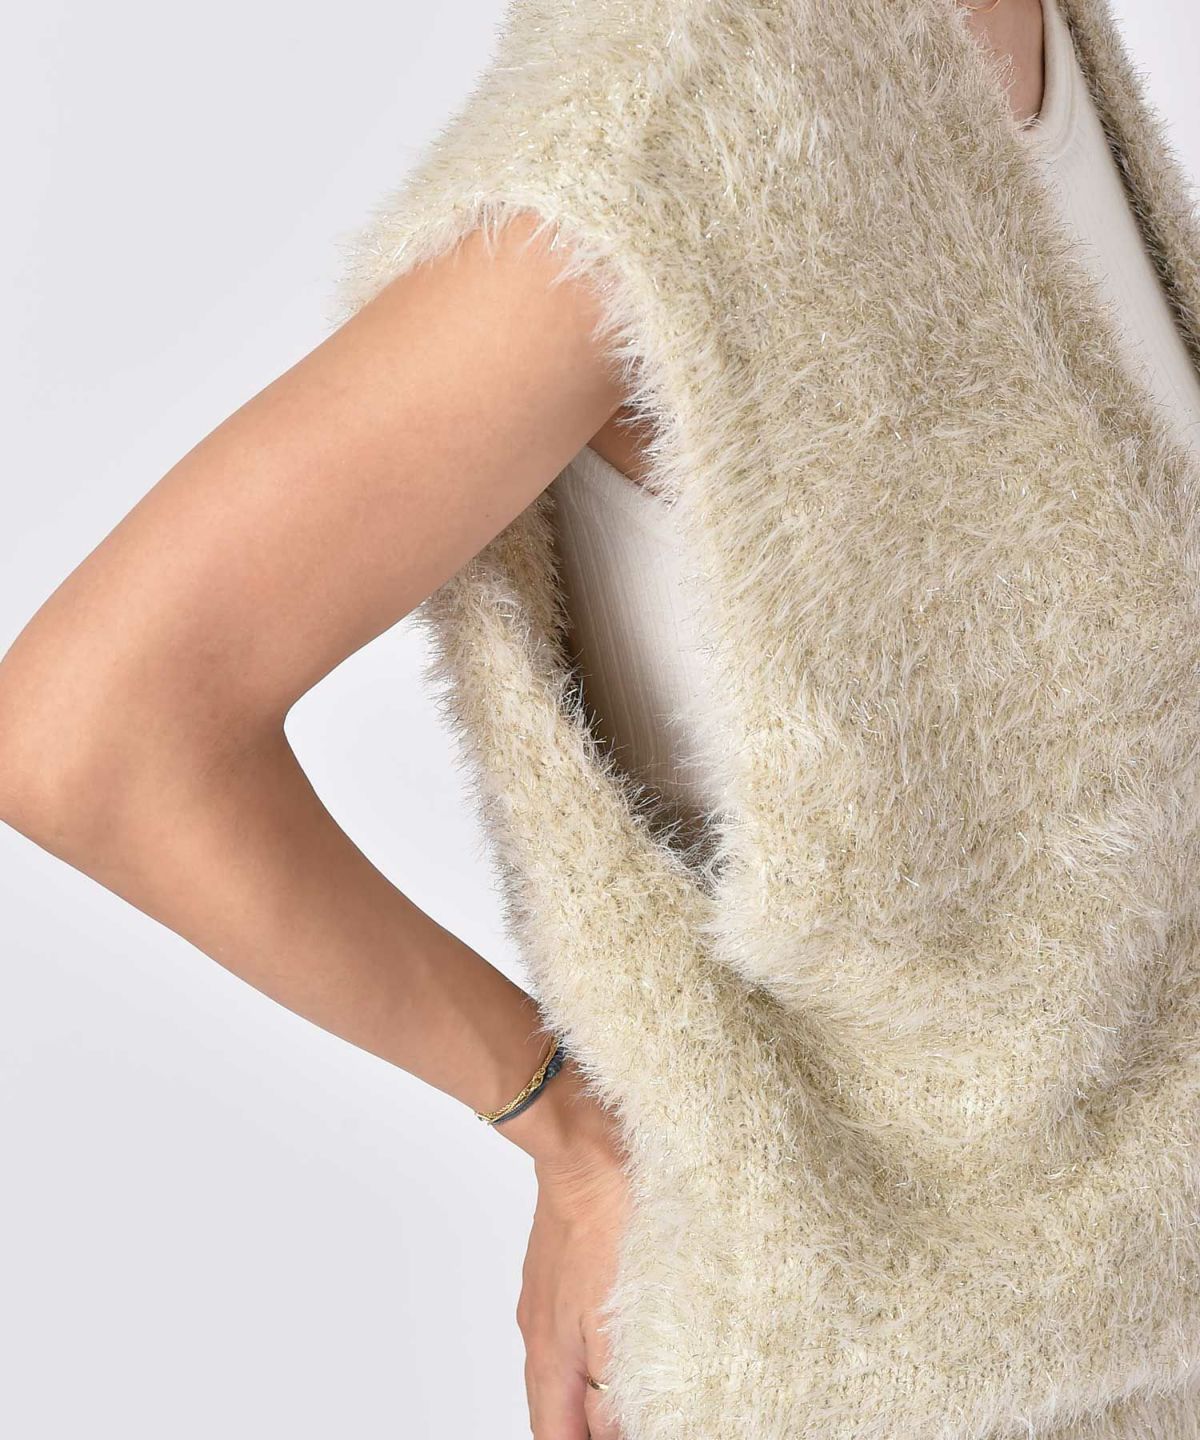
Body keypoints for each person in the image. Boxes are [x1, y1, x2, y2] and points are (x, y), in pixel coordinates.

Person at [3, 1, 1199, 1436]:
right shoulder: (675, 122)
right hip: (900, 1372)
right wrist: (567, 1130)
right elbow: (93, 736)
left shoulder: (1030, 27)